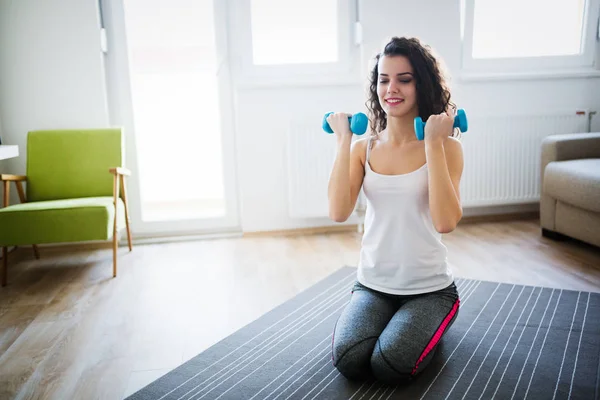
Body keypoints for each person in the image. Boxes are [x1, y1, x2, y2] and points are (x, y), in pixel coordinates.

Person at [327, 36, 463, 386]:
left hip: (430, 289)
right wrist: (343, 141)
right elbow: (339, 211)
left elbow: (446, 222)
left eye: (405, 79)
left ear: (423, 83)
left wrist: (432, 141)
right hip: (372, 284)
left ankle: (432, 322)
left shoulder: (447, 148)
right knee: (350, 359)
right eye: (384, 79)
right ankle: (401, 326)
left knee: (391, 364)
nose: (392, 88)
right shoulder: (362, 147)